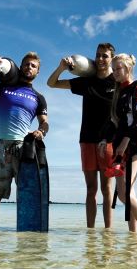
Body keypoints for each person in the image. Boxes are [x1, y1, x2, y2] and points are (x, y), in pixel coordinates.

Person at [46, 43, 116, 229]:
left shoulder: (116, 82)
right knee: (91, 189)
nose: (101, 59)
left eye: (105, 56)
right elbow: (51, 84)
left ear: (111, 59)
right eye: (98, 55)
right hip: (86, 140)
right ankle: (91, 234)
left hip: (108, 142)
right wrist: (61, 68)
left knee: (107, 189)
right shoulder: (87, 82)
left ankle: (108, 232)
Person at [0, 52, 49, 230]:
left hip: (24, 150)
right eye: (26, 64)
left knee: (26, 196)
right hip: (1, 149)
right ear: (20, 67)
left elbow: (45, 123)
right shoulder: (3, 88)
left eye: (33, 66)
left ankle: (28, 240)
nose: (29, 67)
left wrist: (40, 131)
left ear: (37, 72)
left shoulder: (38, 97)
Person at [99, 53, 137, 234]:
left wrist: (126, 142)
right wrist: (106, 140)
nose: (115, 73)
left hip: (134, 146)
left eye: (118, 69)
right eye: (113, 70)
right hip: (121, 147)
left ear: (128, 68)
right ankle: (133, 237)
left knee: (125, 194)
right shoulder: (119, 93)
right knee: (127, 193)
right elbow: (116, 122)